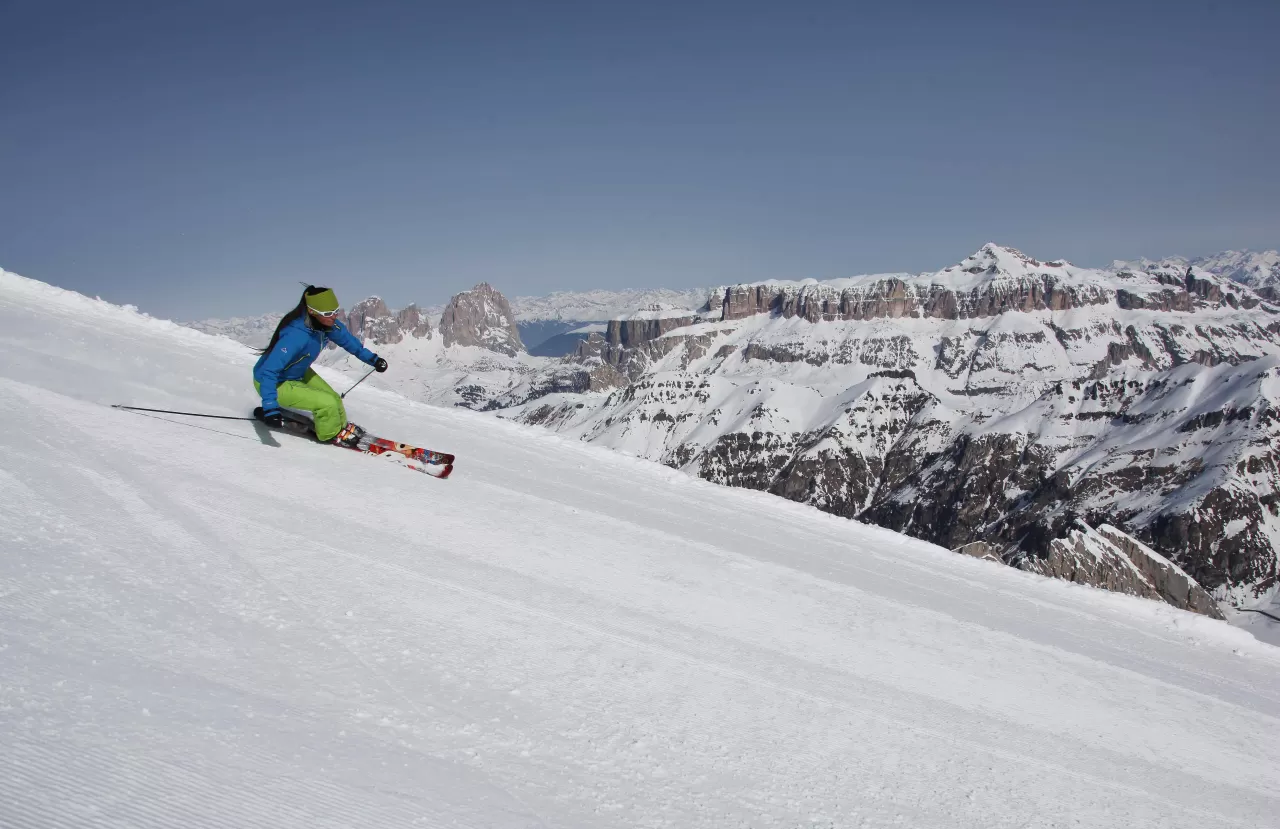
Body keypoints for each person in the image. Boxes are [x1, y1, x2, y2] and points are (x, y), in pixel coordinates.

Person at [253, 285, 388, 446]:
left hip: (297, 372)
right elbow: (269, 371)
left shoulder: (328, 326)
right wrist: (270, 407)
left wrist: (373, 360)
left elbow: (351, 344)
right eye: (328, 313)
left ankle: (340, 427)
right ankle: (330, 434)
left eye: (335, 311)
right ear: (312, 311)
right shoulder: (295, 335)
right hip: (273, 382)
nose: (334, 316)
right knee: (327, 404)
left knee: (334, 399)